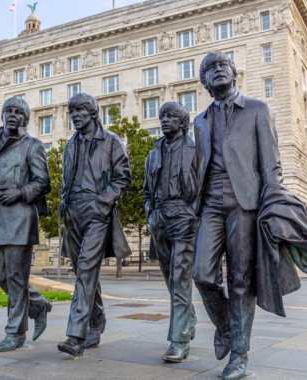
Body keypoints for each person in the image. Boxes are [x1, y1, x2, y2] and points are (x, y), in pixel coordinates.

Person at [192, 52, 307, 379]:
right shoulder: (200, 121)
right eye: (209, 68)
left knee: (240, 280)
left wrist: (271, 203)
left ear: (235, 74)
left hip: (245, 203)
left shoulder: (257, 110)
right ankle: (224, 326)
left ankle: (239, 354)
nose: (217, 69)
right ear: (204, 82)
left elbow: (271, 165)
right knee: (202, 275)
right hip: (210, 204)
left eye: (223, 65)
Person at [0, 97, 52, 353]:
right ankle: (38, 304)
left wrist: (19, 192)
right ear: (2, 115)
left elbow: (43, 183)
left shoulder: (33, 146)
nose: (12, 115)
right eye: (8, 111)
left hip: (20, 218)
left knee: (17, 277)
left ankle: (15, 333)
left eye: (19, 113)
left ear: (26, 119)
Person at [58, 93, 131, 357]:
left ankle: (75, 335)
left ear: (92, 113)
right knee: (84, 273)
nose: (74, 115)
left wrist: (104, 202)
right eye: (71, 111)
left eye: (79, 110)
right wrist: (63, 206)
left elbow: (123, 177)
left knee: (87, 270)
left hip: (97, 210)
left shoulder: (111, 141)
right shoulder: (69, 145)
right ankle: (97, 320)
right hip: (73, 213)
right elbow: (65, 182)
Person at [143, 101, 198, 363]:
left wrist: (193, 213)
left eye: (171, 116)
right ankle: (188, 320)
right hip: (159, 219)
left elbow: (205, 187)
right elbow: (146, 191)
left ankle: (179, 341)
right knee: (170, 280)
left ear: (183, 122)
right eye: (162, 116)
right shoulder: (153, 154)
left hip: (184, 218)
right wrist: (150, 213)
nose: (164, 120)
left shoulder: (196, 150)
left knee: (180, 278)